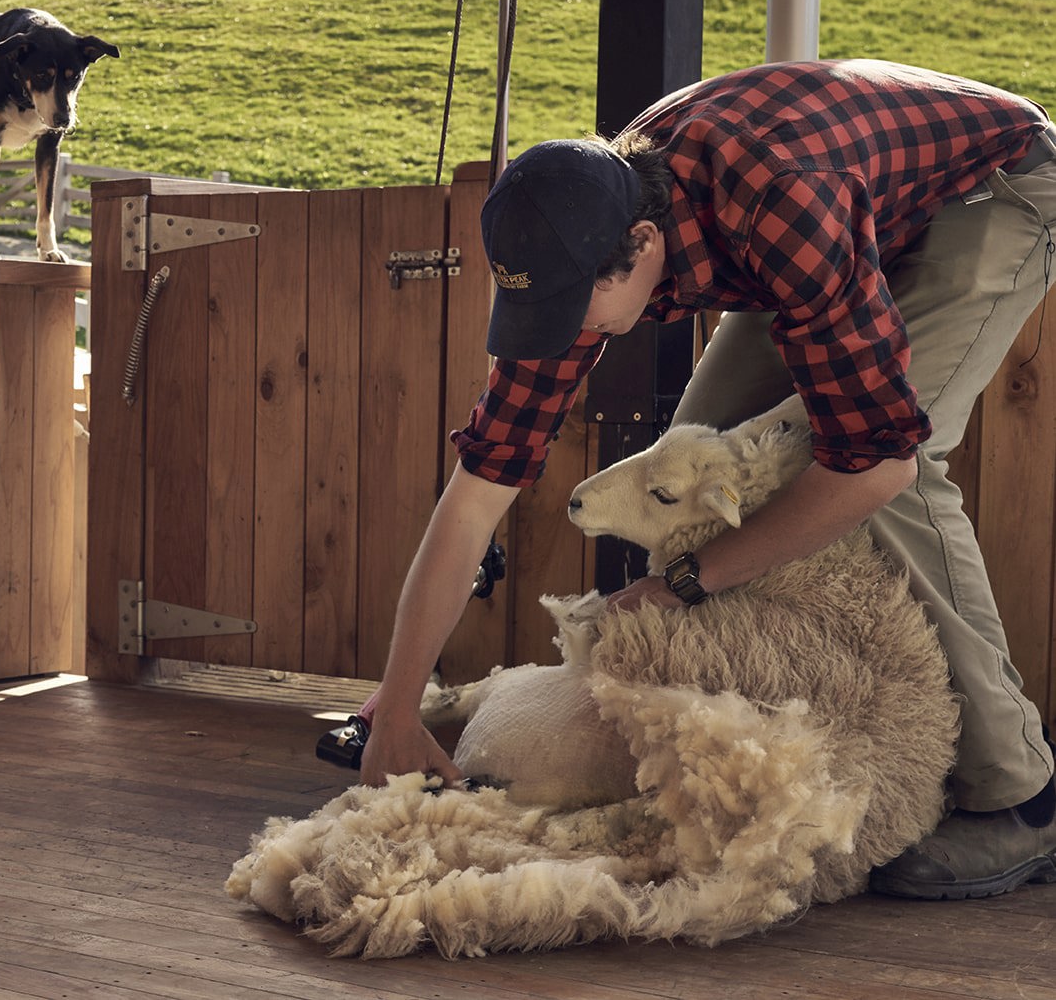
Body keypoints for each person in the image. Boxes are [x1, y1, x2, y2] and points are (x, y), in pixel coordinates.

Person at [359, 58, 1056, 901]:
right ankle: (728, 755)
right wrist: (396, 705)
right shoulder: (580, 233)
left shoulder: (778, 199)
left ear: (643, 246)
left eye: (577, 306)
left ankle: (1020, 793)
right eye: (540, 312)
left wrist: (684, 583)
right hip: (820, 217)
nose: (563, 332)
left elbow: (874, 463)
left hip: (987, 189)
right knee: (706, 469)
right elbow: (477, 491)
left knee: (897, 463)